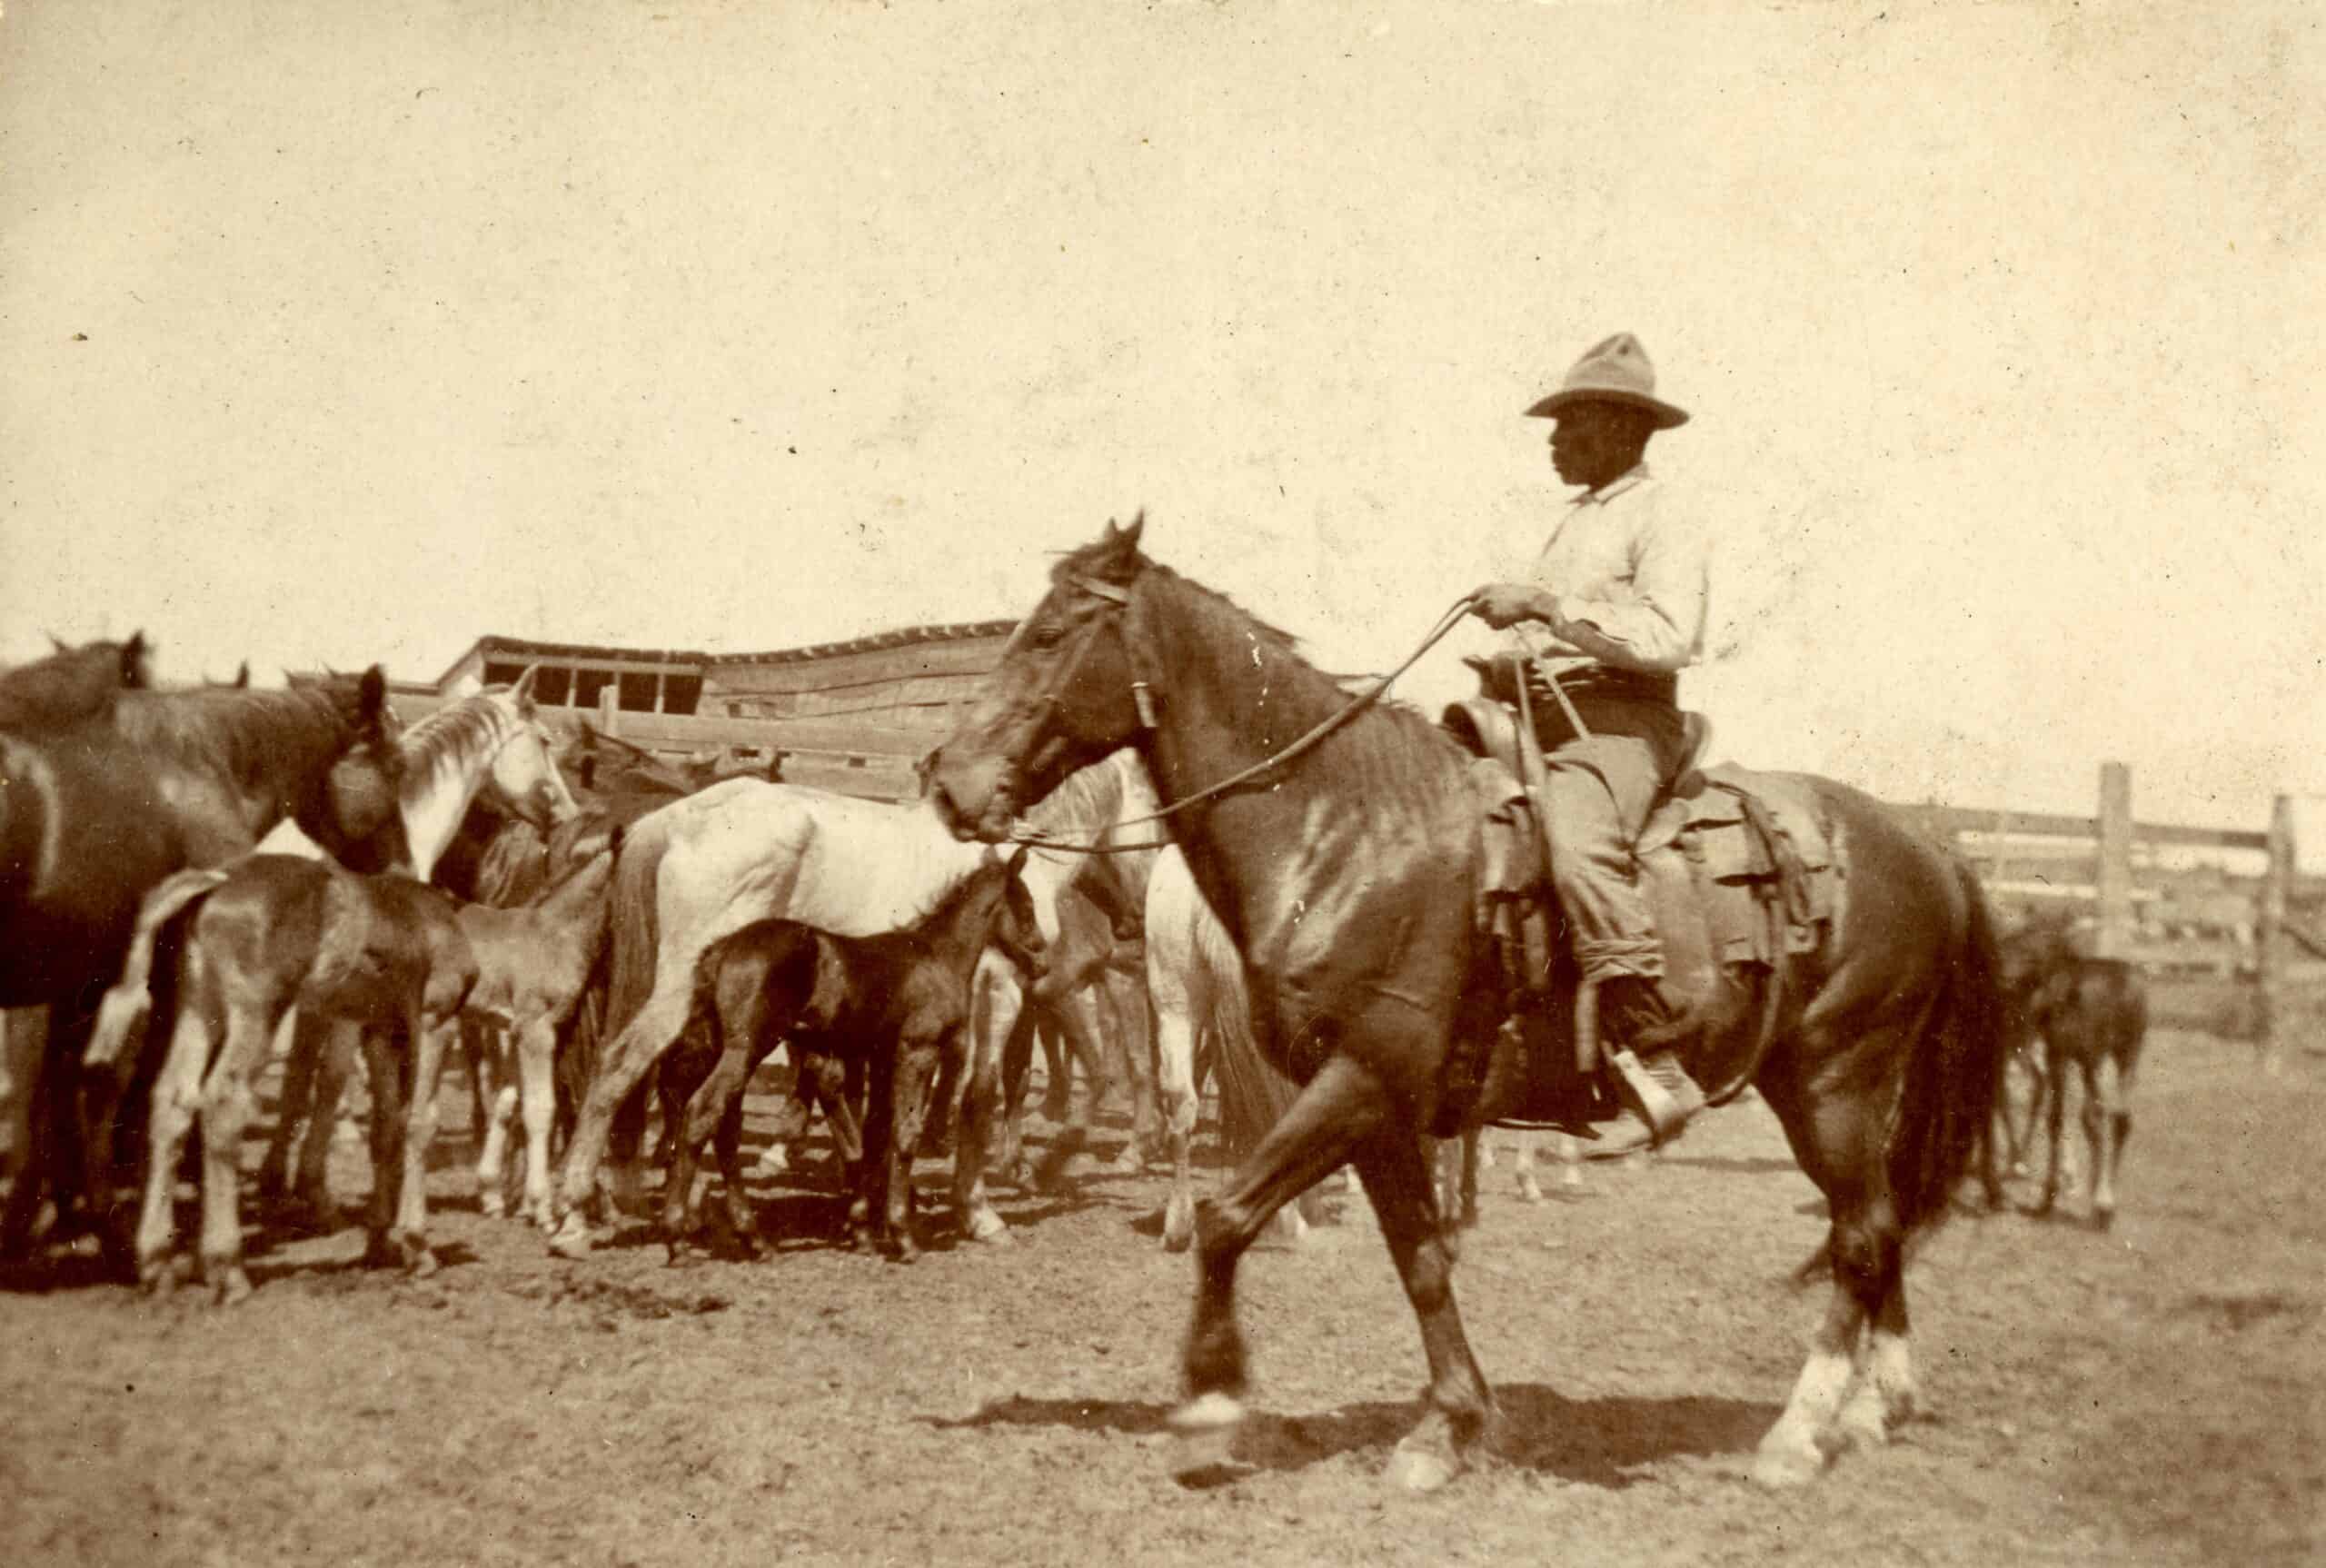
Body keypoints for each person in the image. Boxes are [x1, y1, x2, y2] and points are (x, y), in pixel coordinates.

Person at [1467, 332, 1709, 1144]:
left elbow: (1670, 636)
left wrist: (1544, 610)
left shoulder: (1663, 514)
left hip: (1621, 724)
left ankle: (1653, 1053)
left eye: (1570, 424)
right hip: (1545, 714)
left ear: (1618, 429)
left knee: (1576, 845)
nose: (1554, 440)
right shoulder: (1577, 522)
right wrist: (1511, 663)